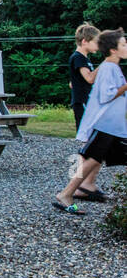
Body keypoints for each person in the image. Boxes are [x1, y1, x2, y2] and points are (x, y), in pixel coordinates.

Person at [54, 28, 127, 213]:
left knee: (94, 159)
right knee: (89, 157)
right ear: (113, 49)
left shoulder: (112, 67)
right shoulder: (108, 67)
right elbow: (106, 95)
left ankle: (85, 187)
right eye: (124, 45)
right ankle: (68, 193)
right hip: (104, 124)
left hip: (113, 125)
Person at [69, 23, 100, 130]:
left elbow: (72, 83)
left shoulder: (84, 59)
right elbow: (90, 78)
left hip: (86, 99)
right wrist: (106, 62)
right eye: (96, 42)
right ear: (84, 41)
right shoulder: (78, 58)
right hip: (82, 101)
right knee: (86, 133)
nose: (98, 46)